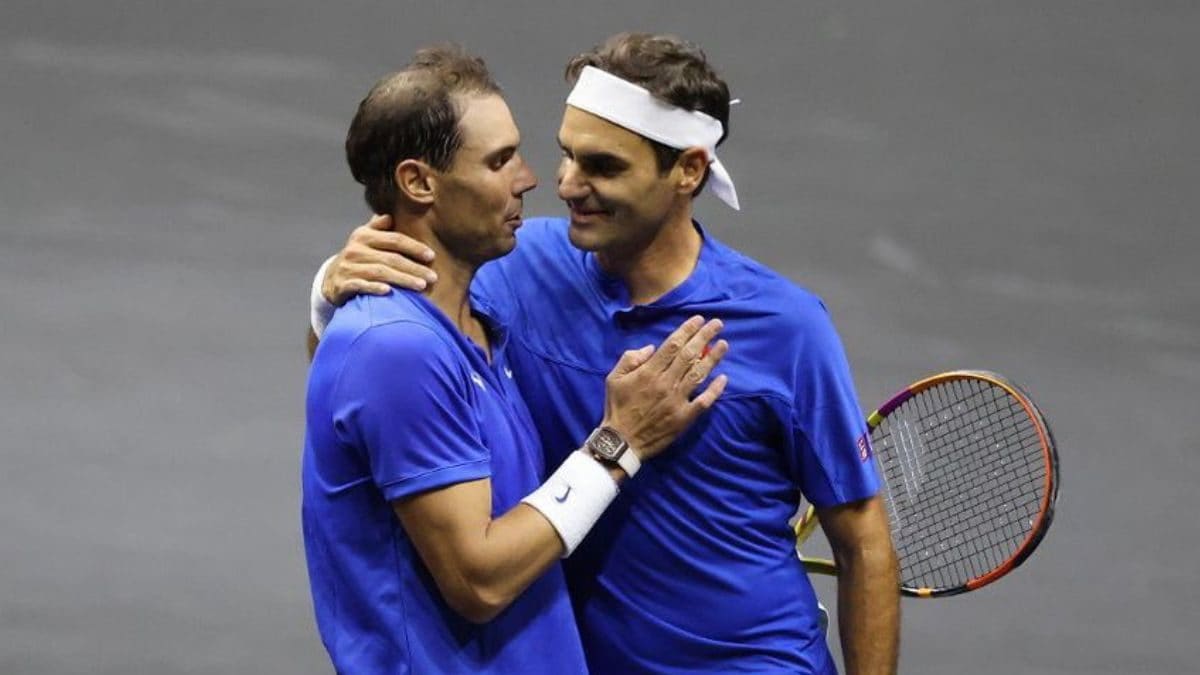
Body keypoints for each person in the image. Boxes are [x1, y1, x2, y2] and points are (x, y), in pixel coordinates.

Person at [311, 33, 899, 674]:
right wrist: (331, 286)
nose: (564, 184)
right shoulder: (512, 267)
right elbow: (369, 376)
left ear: (689, 171)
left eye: (603, 167)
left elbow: (862, 539)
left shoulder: (788, 329)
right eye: (566, 154)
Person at [302, 44, 729, 674]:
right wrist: (618, 444)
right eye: (500, 161)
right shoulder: (398, 347)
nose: (531, 179)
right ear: (420, 182)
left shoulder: (479, 328)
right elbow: (477, 583)